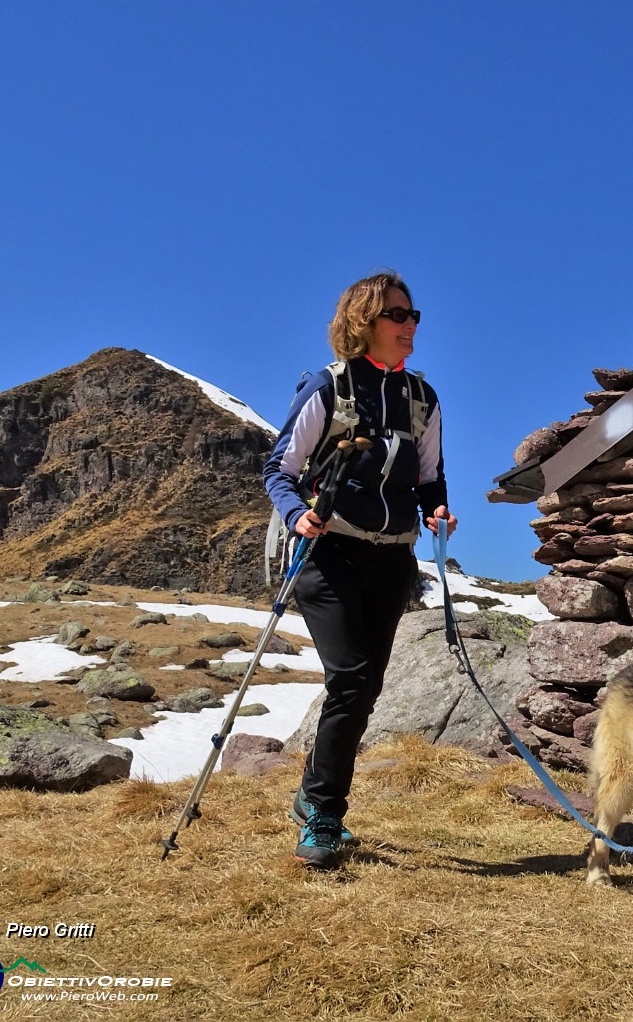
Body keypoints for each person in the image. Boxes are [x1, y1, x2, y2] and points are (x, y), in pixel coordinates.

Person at [263, 269, 456, 868]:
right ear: (364, 321)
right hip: (330, 554)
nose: (410, 325)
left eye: (413, 315)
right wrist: (297, 515)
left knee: (365, 688)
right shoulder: (329, 389)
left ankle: (311, 797)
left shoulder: (423, 398)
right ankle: (324, 814)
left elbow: (429, 475)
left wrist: (437, 510)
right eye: (398, 315)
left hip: (393, 559)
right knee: (350, 679)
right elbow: (279, 468)